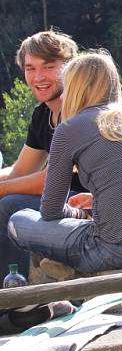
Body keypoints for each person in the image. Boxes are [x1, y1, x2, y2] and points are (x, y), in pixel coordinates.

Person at [8, 50, 122, 273]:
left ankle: (47, 289)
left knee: (19, 219)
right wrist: (99, 198)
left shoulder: (69, 129)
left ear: (74, 87)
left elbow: (50, 212)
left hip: (117, 251)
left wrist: (78, 214)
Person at [0, 31, 81, 278]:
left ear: (70, 68)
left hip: (91, 201)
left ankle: (14, 298)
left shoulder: (78, 112)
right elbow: (20, 171)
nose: (39, 77)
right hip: (63, 199)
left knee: (8, 206)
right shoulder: (42, 115)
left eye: (48, 67)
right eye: (30, 68)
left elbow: (48, 182)